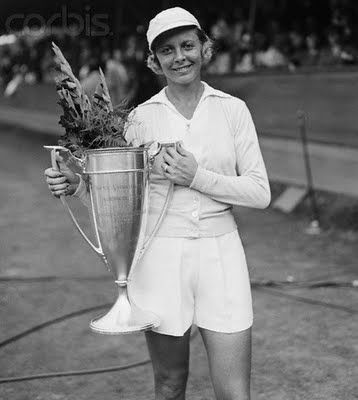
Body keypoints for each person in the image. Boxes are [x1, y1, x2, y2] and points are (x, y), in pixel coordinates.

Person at [44, 7, 270, 400]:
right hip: (160, 256)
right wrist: (78, 185)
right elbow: (117, 204)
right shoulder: (139, 120)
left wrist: (196, 176)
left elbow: (260, 192)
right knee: (168, 386)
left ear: (204, 48)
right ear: (154, 61)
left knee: (235, 393)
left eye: (187, 45)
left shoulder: (232, 110)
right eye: (167, 50)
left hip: (222, 254)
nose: (179, 57)